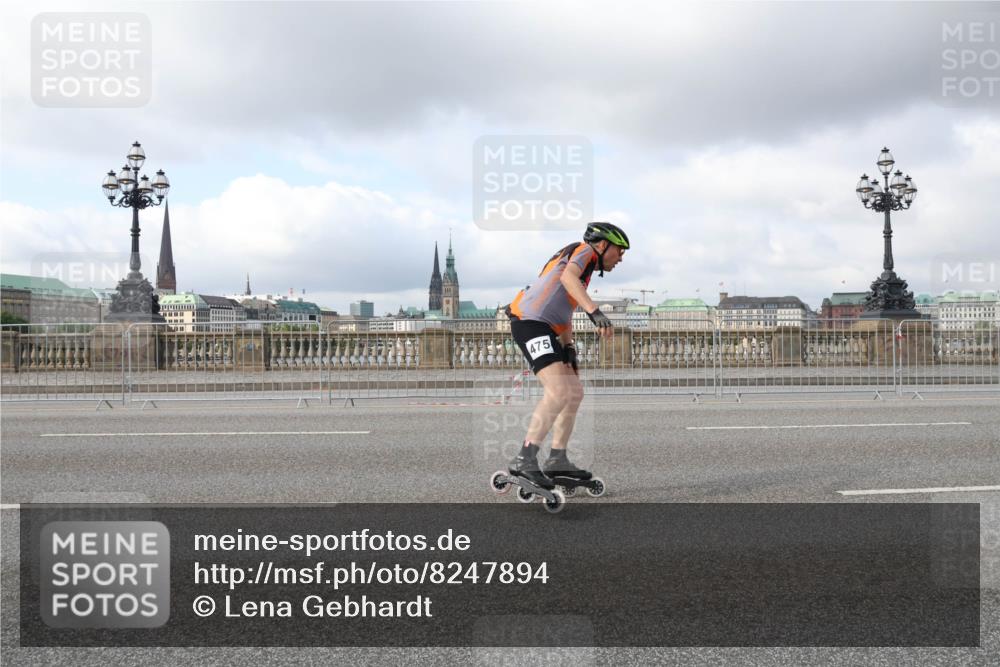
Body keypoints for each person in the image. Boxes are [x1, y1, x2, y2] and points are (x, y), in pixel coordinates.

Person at [504, 222, 629, 490]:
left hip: (548, 327)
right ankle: (524, 459)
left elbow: (563, 308)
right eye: (619, 251)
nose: (621, 258)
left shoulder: (584, 269)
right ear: (603, 244)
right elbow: (567, 280)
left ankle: (557, 459)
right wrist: (595, 313)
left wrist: (569, 346)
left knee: (574, 392)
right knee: (559, 392)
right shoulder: (585, 252)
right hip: (530, 323)